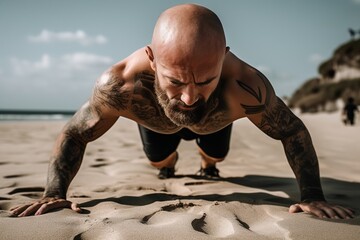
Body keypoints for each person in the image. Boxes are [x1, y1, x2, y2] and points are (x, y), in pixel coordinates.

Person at [11, 4, 354, 219]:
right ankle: (169, 165)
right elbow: (75, 132)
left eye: (206, 80)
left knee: (214, 153)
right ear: (151, 58)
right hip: (157, 123)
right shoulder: (120, 85)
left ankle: (208, 164)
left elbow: (291, 131)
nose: (190, 98)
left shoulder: (246, 86)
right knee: (161, 160)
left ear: (224, 57)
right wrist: (54, 193)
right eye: (175, 81)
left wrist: (312, 196)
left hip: (214, 124)